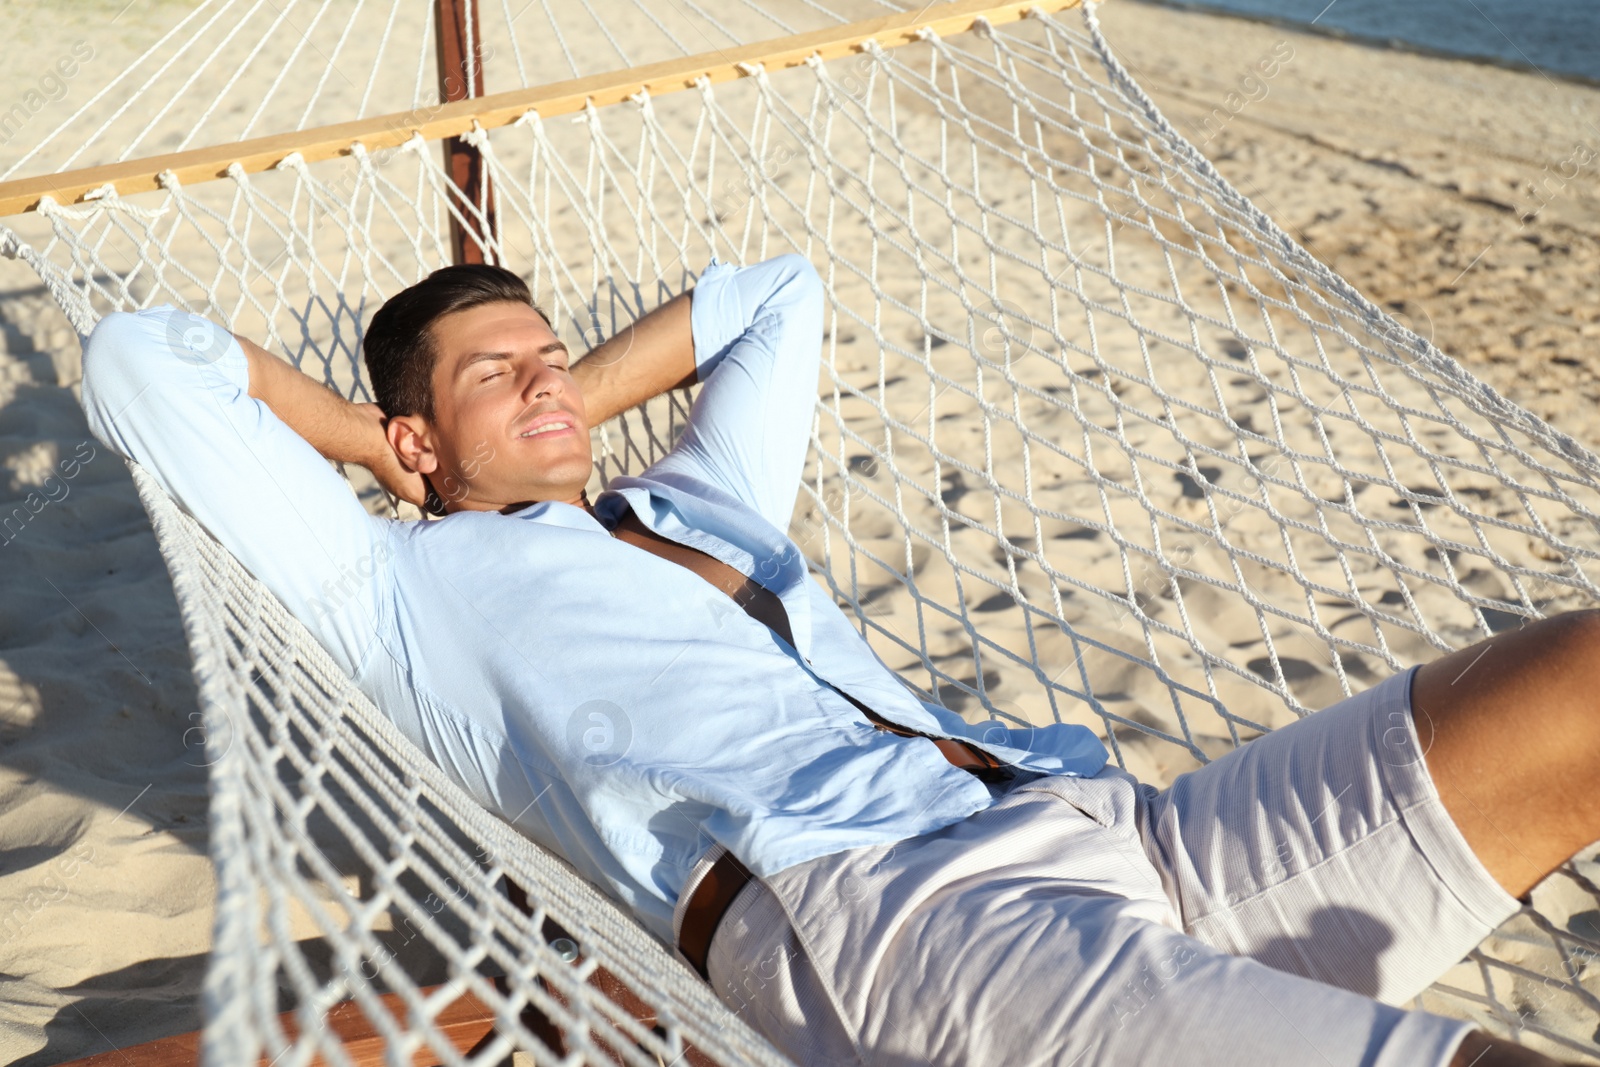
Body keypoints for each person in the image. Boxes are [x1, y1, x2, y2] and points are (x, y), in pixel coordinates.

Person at [79, 254, 1597, 1067]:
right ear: (417, 437)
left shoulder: (693, 501)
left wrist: (546, 410)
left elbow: (777, 293)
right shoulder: (389, 589)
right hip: (885, 923)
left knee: (1580, 680)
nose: (550, 379)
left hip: (1113, 825)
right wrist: (378, 452)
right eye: (501, 373)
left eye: (557, 355)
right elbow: (144, 361)